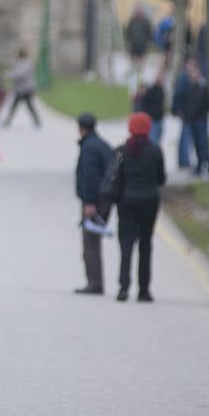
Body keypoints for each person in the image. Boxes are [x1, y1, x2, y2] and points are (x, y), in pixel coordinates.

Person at [113, 111, 166, 302]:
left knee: (126, 244)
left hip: (126, 201)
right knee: (145, 244)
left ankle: (123, 287)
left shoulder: (121, 150)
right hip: (149, 201)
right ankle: (144, 290)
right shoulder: (155, 151)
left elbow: (116, 178)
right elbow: (161, 178)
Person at [74, 112, 113, 295]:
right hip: (105, 197)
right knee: (93, 241)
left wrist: (89, 202)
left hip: (95, 201)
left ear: (81, 128)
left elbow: (90, 177)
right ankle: (95, 281)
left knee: (90, 243)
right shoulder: (102, 144)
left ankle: (94, 282)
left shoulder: (89, 148)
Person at [180, 58, 209, 175]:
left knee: (203, 143)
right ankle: (199, 164)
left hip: (201, 120)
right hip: (192, 120)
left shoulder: (203, 88)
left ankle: (208, 164)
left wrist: (202, 114)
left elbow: (206, 104)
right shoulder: (189, 88)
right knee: (196, 144)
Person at [2, 47, 41, 128]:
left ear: (20, 55)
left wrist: (8, 76)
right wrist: (8, 74)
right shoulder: (18, 62)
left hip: (26, 89)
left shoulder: (27, 63)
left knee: (29, 106)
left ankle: (37, 122)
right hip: (20, 89)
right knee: (15, 105)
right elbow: (15, 72)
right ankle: (7, 121)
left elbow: (20, 74)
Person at [124, 4, 153, 90]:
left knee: (141, 64)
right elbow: (128, 32)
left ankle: (141, 80)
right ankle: (132, 81)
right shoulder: (132, 21)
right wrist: (129, 42)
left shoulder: (146, 22)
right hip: (134, 45)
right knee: (133, 64)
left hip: (142, 46)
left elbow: (149, 33)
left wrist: (148, 43)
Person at [135, 70, 166, 144]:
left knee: (157, 142)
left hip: (160, 120)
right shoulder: (151, 90)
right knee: (153, 142)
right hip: (153, 120)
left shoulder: (161, 90)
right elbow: (143, 103)